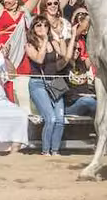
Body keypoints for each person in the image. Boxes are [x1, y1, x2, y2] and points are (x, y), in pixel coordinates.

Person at [25, 14, 74, 156]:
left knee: (60, 119)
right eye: (38, 25)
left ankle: (55, 150)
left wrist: (60, 39)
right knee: (50, 118)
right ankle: (46, 151)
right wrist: (45, 40)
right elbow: (39, 60)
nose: (42, 28)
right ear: (33, 28)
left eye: (45, 25)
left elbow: (63, 59)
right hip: (38, 82)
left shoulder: (53, 43)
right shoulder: (29, 45)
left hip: (55, 80)